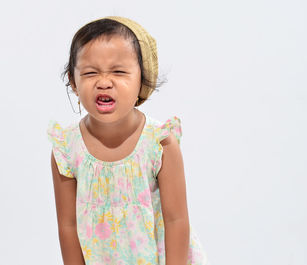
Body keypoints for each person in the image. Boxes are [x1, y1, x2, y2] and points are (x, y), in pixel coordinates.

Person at [47, 16, 209, 265]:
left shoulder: (160, 144)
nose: (103, 82)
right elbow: (67, 226)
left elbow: (177, 220)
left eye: (119, 72)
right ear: (73, 82)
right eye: (90, 73)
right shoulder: (67, 150)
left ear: (142, 79)